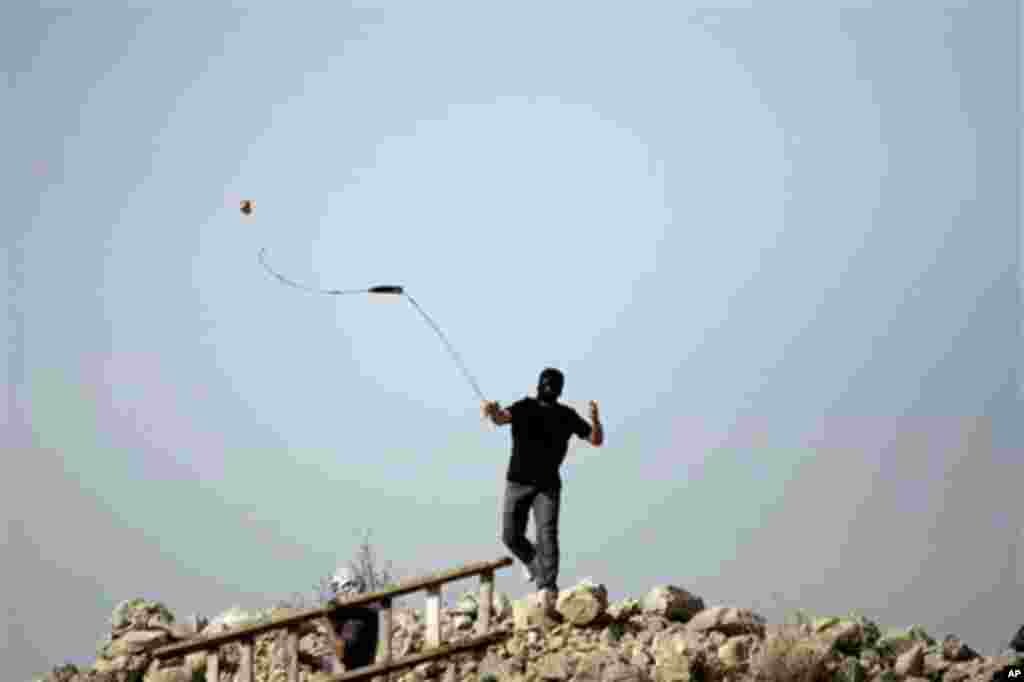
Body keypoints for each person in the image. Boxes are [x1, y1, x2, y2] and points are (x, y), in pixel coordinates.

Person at [482, 367, 604, 616]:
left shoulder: (566, 415)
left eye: (553, 386)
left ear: (558, 390)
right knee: (510, 535)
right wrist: (492, 411)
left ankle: (547, 588)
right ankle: (536, 566)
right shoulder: (524, 407)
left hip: (547, 485)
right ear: (540, 385)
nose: (549, 389)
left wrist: (595, 419)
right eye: (547, 385)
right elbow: (501, 418)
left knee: (547, 534)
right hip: (517, 482)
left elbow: (595, 439)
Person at [322, 567, 382, 674]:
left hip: (355, 674)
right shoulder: (367, 610)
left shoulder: (358, 618)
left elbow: (341, 652)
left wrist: (327, 622)